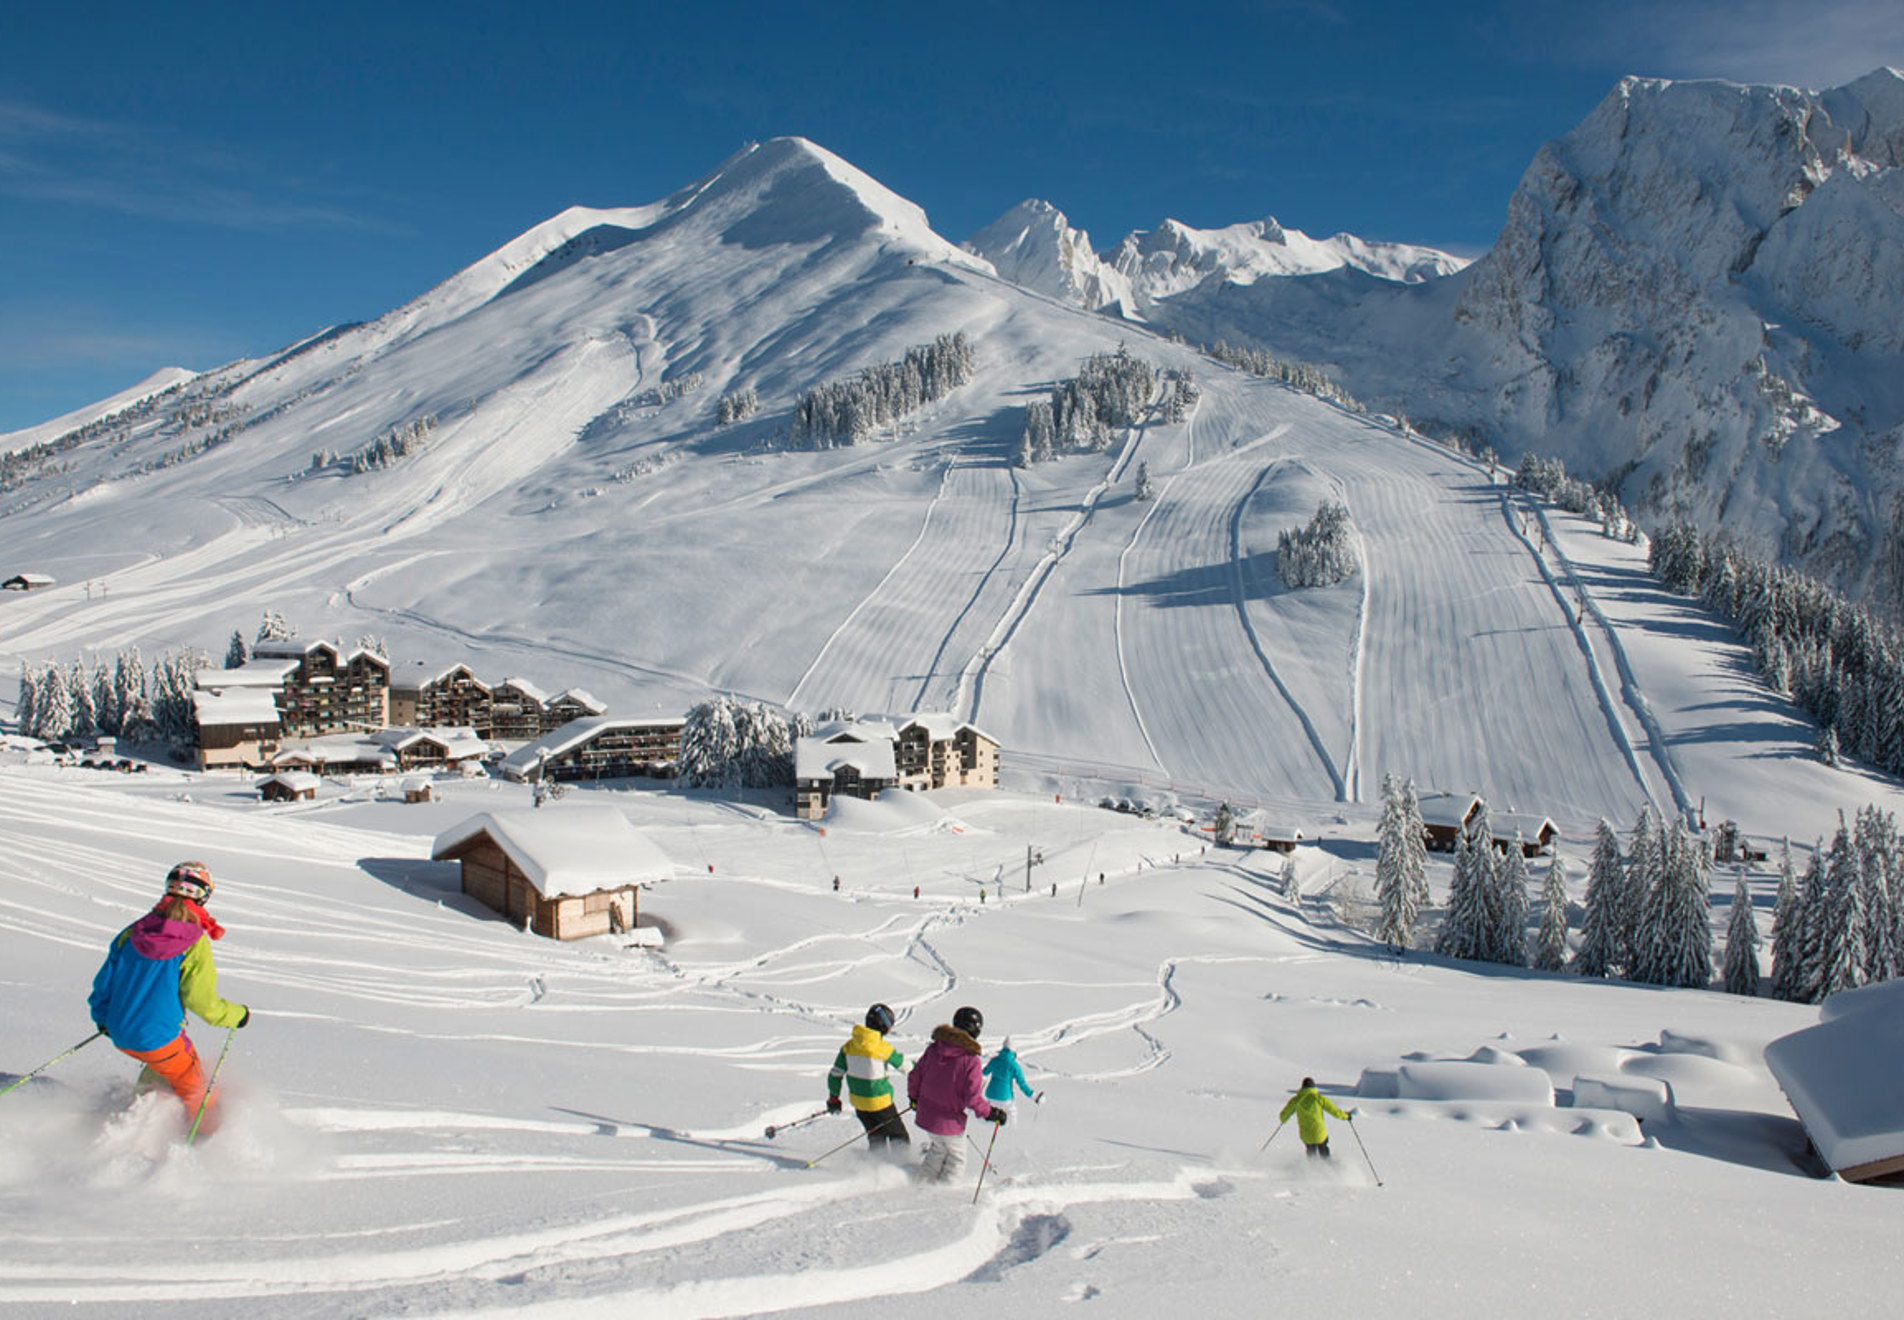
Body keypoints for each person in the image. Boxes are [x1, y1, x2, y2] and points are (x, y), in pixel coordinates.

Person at [88, 862, 250, 1135]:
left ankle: (140, 1109)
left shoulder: (132, 932)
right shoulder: (193, 940)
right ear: (204, 896)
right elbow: (203, 1003)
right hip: (159, 1037)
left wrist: (104, 1020)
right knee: (199, 1090)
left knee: (165, 1067)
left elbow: (103, 988)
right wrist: (237, 1015)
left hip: (119, 1031)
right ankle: (206, 1143)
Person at [907, 1005, 1002, 1183]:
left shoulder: (935, 1048)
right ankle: (946, 1194)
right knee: (957, 1160)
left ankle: (922, 1183)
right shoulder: (970, 1061)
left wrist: (914, 1098)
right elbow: (972, 1098)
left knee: (938, 1150)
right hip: (949, 1123)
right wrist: (991, 1113)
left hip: (926, 1116)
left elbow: (915, 1076)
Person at [826, 1002, 910, 1153]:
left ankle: (876, 1166)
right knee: (898, 1135)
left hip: (859, 1103)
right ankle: (903, 1166)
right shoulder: (882, 1048)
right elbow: (907, 1068)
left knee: (876, 1136)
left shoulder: (849, 1046)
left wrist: (834, 1098)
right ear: (884, 1026)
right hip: (881, 1102)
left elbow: (835, 1075)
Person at [1279, 1076, 1352, 1158]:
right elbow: (1335, 1111)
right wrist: (1346, 1116)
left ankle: (1312, 1168)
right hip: (1319, 1133)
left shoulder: (1296, 1100)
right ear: (1313, 1087)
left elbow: (1283, 1116)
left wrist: (1284, 1119)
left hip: (1306, 1135)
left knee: (1311, 1152)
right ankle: (1327, 1166)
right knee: (1323, 1149)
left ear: (1302, 1087)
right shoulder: (1318, 1098)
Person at [982, 1036, 1038, 1116]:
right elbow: (1022, 1084)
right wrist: (1034, 1096)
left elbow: (984, 1072)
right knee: (1012, 1115)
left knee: (991, 1117)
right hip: (1005, 1098)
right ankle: (1013, 1128)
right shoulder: (1014, 1065)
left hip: (990, 1095)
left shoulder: (994, 1060)